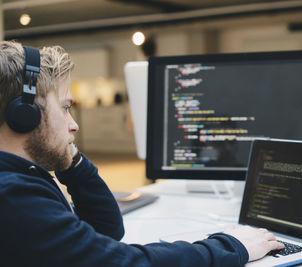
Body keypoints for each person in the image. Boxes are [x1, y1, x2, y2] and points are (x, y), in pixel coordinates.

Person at [0, 40, 283, 267]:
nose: (73, 124)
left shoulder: (20, 176)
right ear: (24, 116)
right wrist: (232, 246)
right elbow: (122, 262)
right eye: (64, 107)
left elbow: (104, 231)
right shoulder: (13, 195)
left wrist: (69, 160)